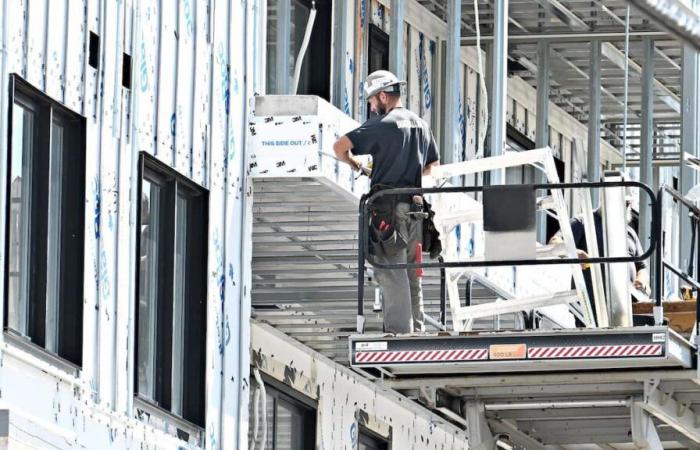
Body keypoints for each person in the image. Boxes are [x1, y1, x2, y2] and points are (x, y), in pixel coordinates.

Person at [333, 70, 440, 334]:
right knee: (412, 275)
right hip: (416, 211)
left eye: (372, 101)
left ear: (383, 95)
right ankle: (417, 330)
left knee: (392, 272)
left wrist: (354, 162)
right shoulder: (420, 125)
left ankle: (399, 335)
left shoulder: (383, 124)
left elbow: (339, 147)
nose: (371, 107)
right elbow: (432, 166)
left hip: (389, 212)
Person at [549, 202, 650, 323]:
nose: (625, 207)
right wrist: (574, 252)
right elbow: (555, 242)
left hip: (627, 309)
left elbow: (642, 267)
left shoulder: (630, 233)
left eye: (627, 204)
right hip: (591, 309)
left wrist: (641, 280)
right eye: (621, 201)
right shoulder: (583, 221)